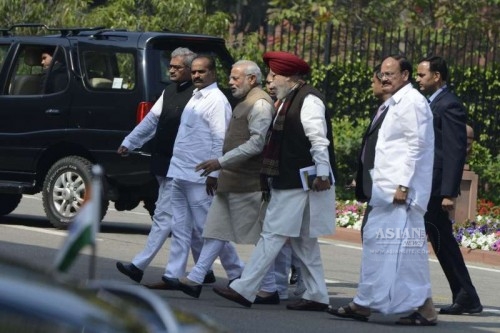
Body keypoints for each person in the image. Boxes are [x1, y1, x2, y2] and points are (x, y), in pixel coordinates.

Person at [213, 51, 336, 311]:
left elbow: (318, 138)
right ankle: (317, 295)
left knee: (272, 233)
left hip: (300, 181)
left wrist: (323, 172)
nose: (269, 81)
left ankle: (245, 288)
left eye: (273, 75)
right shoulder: (287, 100)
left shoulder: (309, 99)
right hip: (292, 180)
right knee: (304, 240)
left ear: (289, 77)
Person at [328, 55, 438, 325]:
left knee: (404, 253)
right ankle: (365, 303)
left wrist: (403, 185)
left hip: (402, 195)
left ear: (406, 75)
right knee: (381, 248)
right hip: (386, 191)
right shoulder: (395, 103)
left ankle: (423, 309)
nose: (385, 77)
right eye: (382, 73)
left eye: (391, 73)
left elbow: (417, 147)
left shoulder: (412, 102)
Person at [177, 60, 280, 303]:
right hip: (231, 180)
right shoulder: (247, 101)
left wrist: (221, 162)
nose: (230, 82)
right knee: (216, 230)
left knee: (258, 237)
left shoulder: (261, 104)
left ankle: (269, 287)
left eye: (236, 78)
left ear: (252, 79)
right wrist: (220, 170)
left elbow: (256, 143)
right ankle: (196, 278)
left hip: (248, 183)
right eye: (231, 78)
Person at [115, 48, 216, 286]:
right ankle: (216, 270)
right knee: (193, 226)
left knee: (166, 216)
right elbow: (151, 120)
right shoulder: (169, 91)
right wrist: (130, 141)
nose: (171, 70)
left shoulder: (199, 96)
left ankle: (139, 265)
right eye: (170, 66)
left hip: (185, 167)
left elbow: (215, 135)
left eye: (177, 67)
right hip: (165, 162)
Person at [145, 54, 243, 289]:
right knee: (180, 227)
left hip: (200, 176)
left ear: (213, 74)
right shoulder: (194, 97)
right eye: (195, 72)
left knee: (206, 228)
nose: (197, 76)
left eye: (202, 72)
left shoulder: (217, 101)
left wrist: (214, 174)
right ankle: (172, 275)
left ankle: (237, 273)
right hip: (179, 171)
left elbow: (221, 139)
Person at [416, 55, 483, 315]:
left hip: (436, 188)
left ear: (437, 77)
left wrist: (448, 193)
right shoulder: (430, 102)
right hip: (427, 184)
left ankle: (466, 296)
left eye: (422, 75)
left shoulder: (449, 104)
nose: (418, 80)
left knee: (440, 240)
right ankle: (466, 296)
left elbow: (455, 151)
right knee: (441, 240)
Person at [265, 72, 306, 299]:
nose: (270, 84)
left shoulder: (299, 104)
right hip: (277, 175)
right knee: (280, 235)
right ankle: (278, 286)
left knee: (292, 234)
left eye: (274, 79)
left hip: (294, 178)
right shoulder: (275, 106)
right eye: (268, 80)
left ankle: (295, 281)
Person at [356, 64, 392, 236]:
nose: (372, 85)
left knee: (371, 232)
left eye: (373, 81)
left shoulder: (394, 110)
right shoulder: (381, 108)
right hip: (372, 181)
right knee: (368, 231)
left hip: (384, 184)